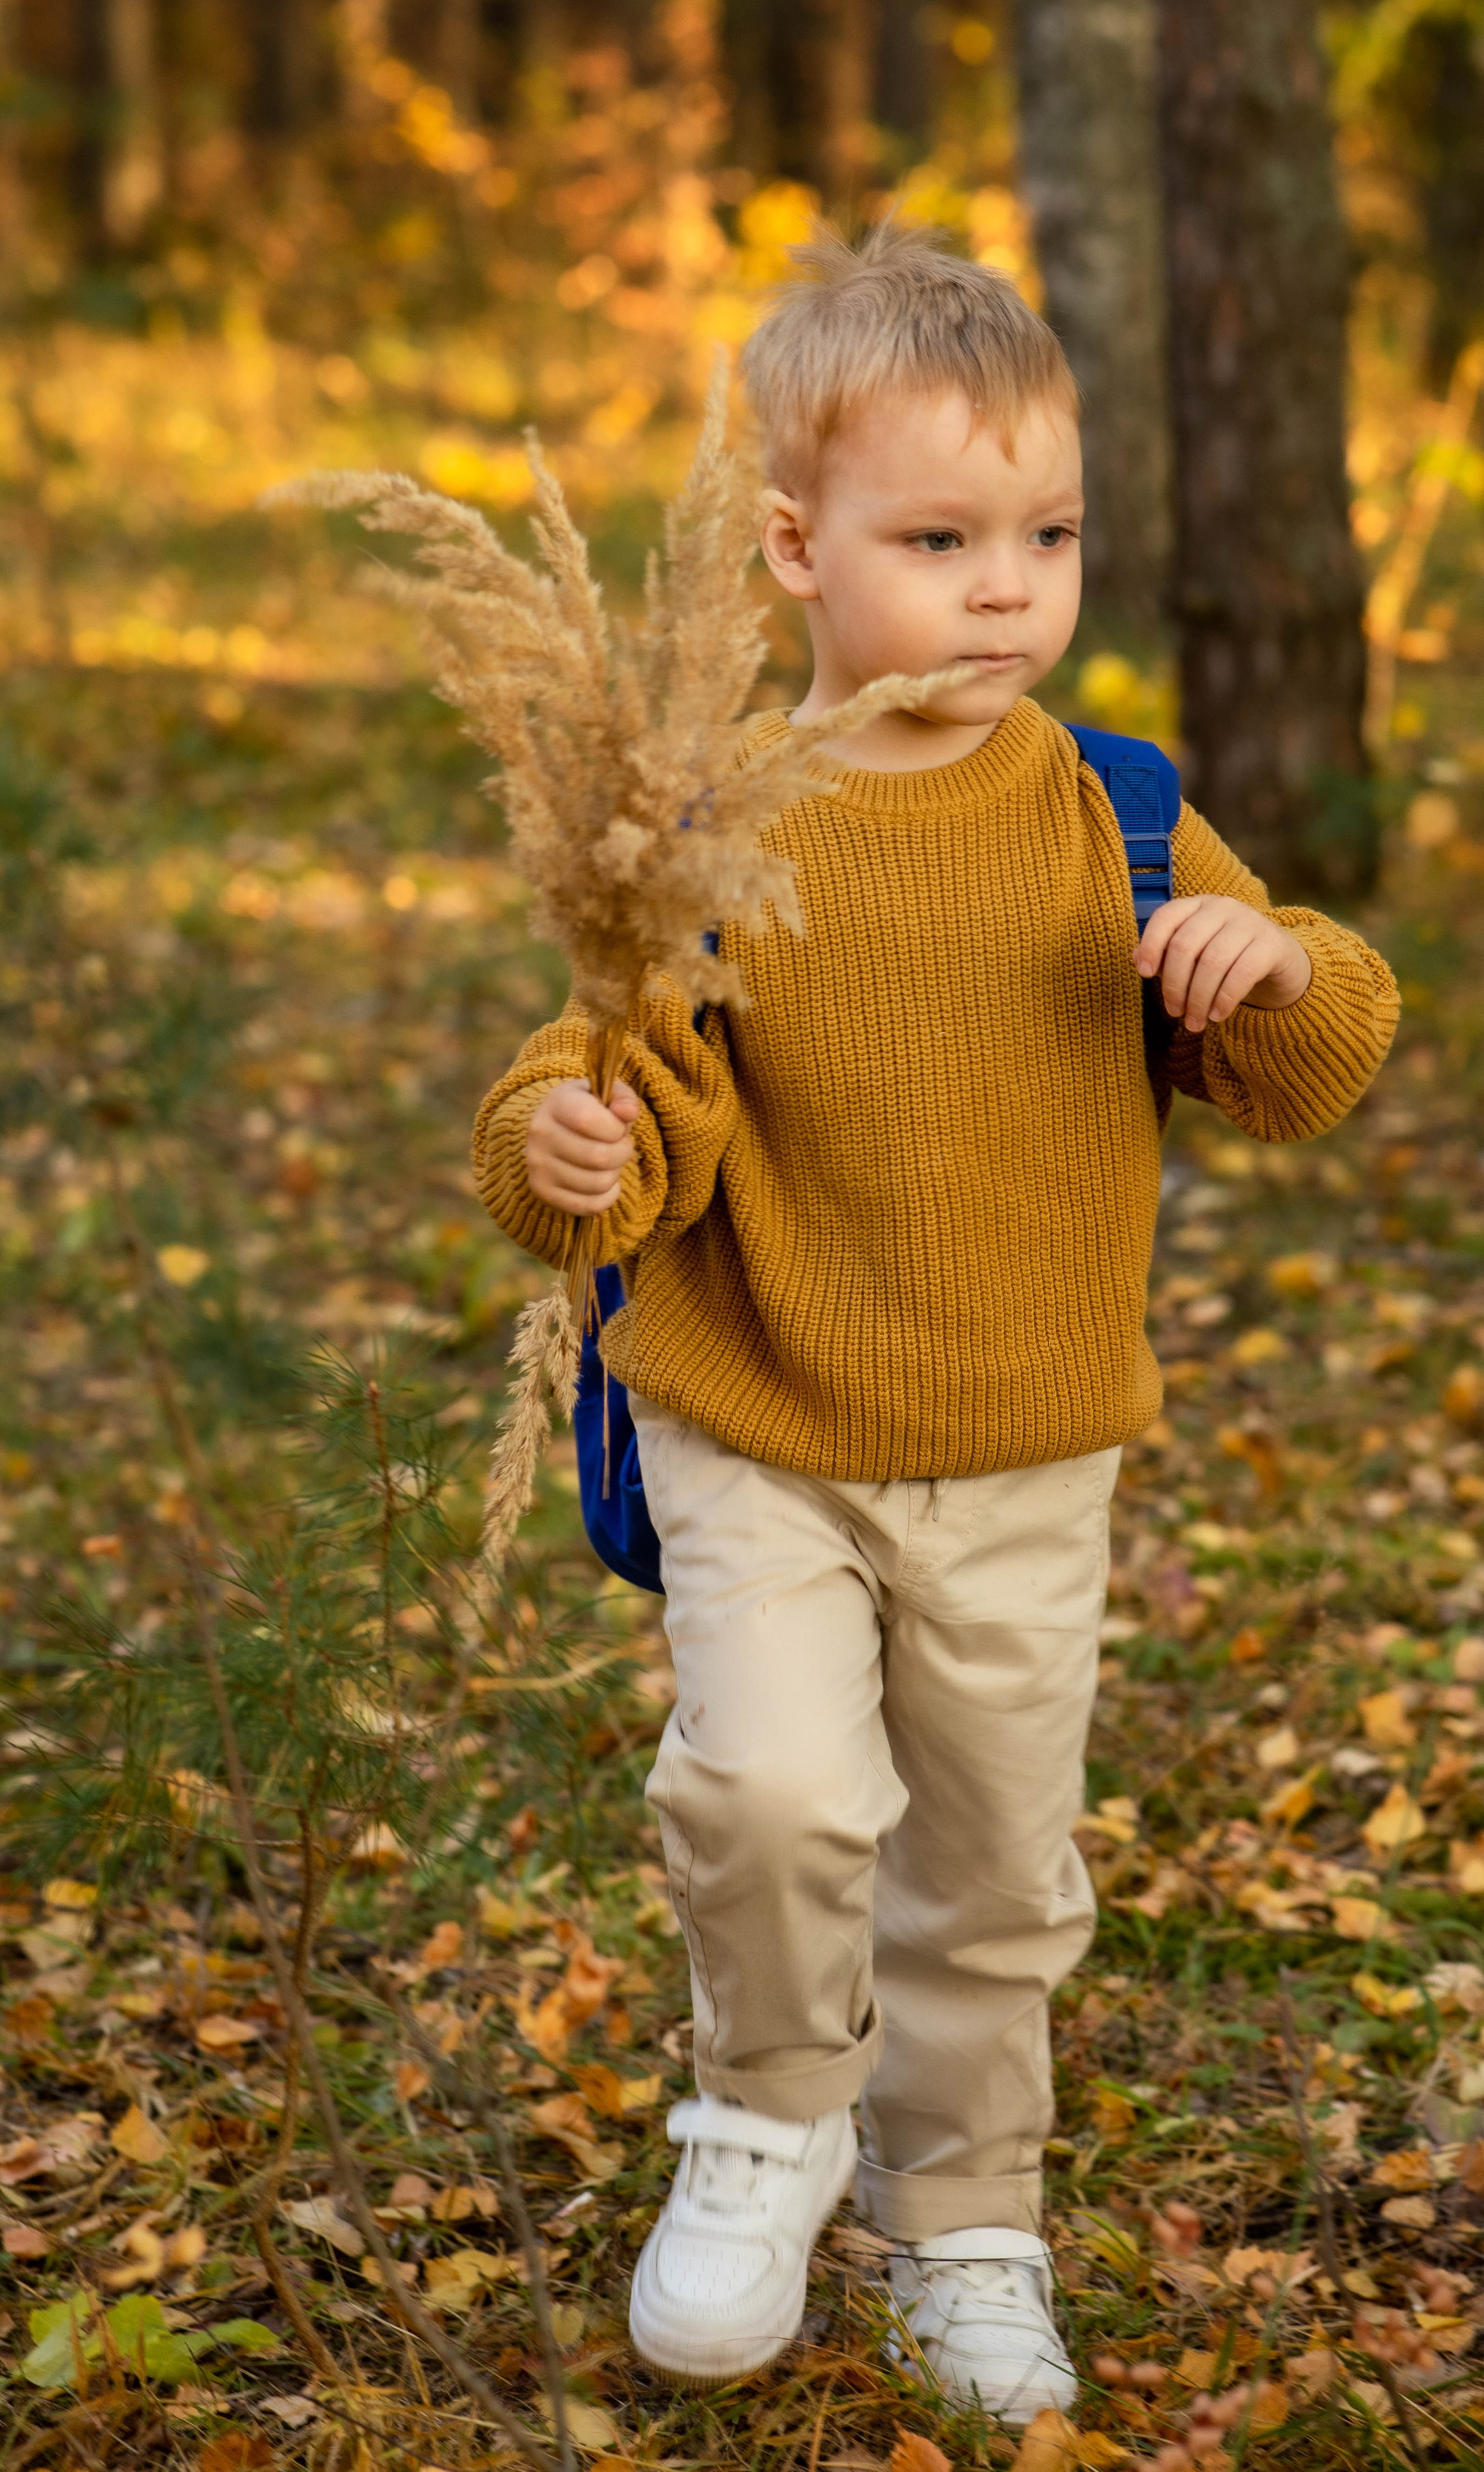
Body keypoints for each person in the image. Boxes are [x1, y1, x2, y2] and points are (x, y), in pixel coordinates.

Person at [471, 226, 1399, 2422]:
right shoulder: (716, 828)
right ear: (795, 548)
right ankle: (771, 2121)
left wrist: (1277, 972)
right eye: (943, 537)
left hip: (1021, 1436)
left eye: (1048, 537)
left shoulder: (1113, 816)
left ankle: (963, 2216)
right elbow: (587, 1089)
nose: (1008, 588)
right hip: (760, 1413)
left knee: (992, 1863)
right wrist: (565, 1151)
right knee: (779, 1790)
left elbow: (1312, 1050)